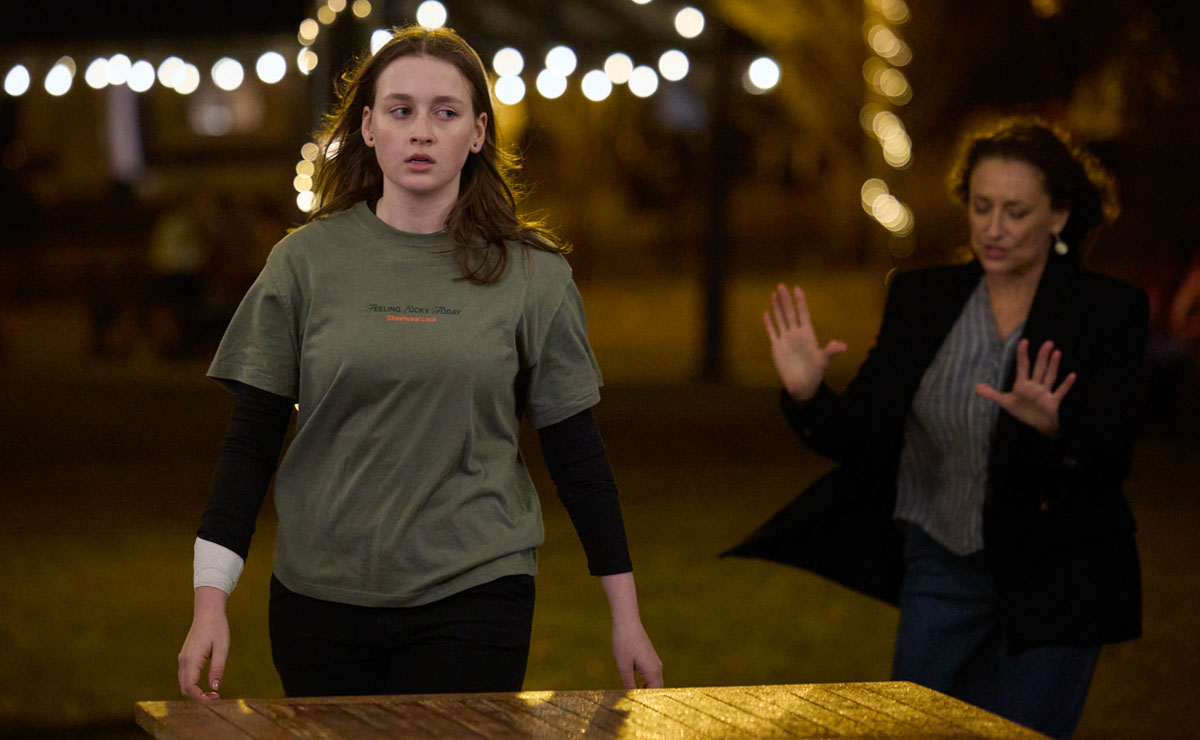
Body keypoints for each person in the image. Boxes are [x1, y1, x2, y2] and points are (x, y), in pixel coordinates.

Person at [177, 25, 662, 701]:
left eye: (446, 112)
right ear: (368, 127)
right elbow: (249, 446)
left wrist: (626, 615)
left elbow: (577, 455)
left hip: (476, 592)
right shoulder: (303, 263)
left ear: (478, 132)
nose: (422, 132)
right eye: (401, 111)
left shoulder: (533, 276)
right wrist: (209, 604)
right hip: (319, 600)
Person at [727, 117, 1144, 739]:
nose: (993, 228)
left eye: (1015, 212)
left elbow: (1111, 457)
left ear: (1058, 216)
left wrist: (1057, 429)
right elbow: (863, 436)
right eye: (981, 206)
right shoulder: (922, 298)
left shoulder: (1106, 310)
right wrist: (808, 392)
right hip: (942, 566)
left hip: (1057, 573)